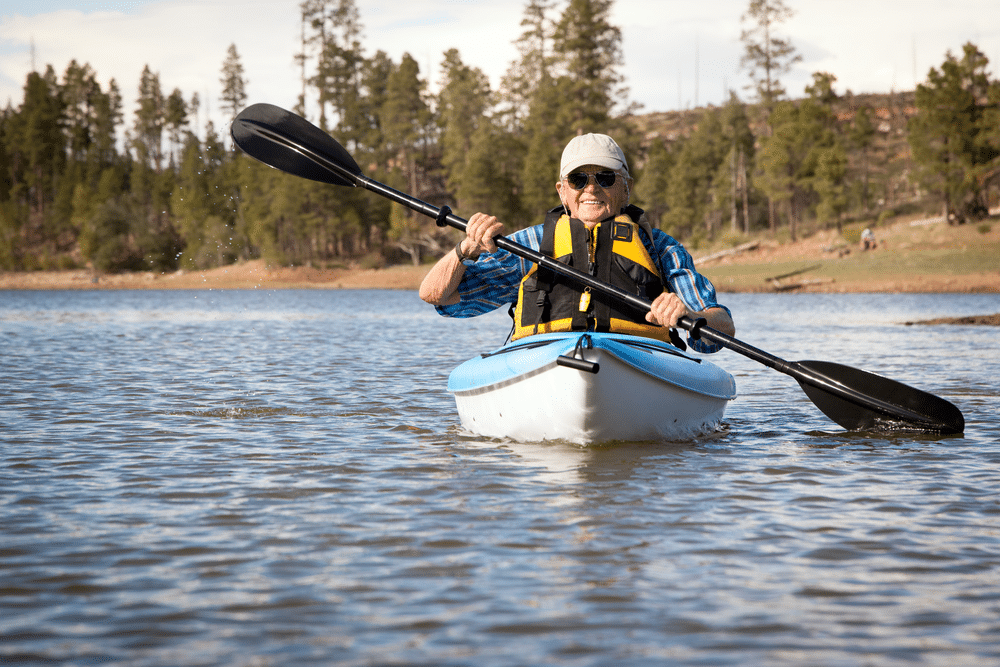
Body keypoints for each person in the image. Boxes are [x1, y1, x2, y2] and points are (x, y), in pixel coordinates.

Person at [419, 133, 735, 353]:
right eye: (579, 179)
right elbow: (438, 297)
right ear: (562, 191)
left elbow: (720, 330)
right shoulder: (530, 245)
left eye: (606, 178)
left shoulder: (661, 249)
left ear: (626, 188)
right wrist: (464, 251)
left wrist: (692, 317)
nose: (592, 188)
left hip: (638, 363)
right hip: (544, 361)